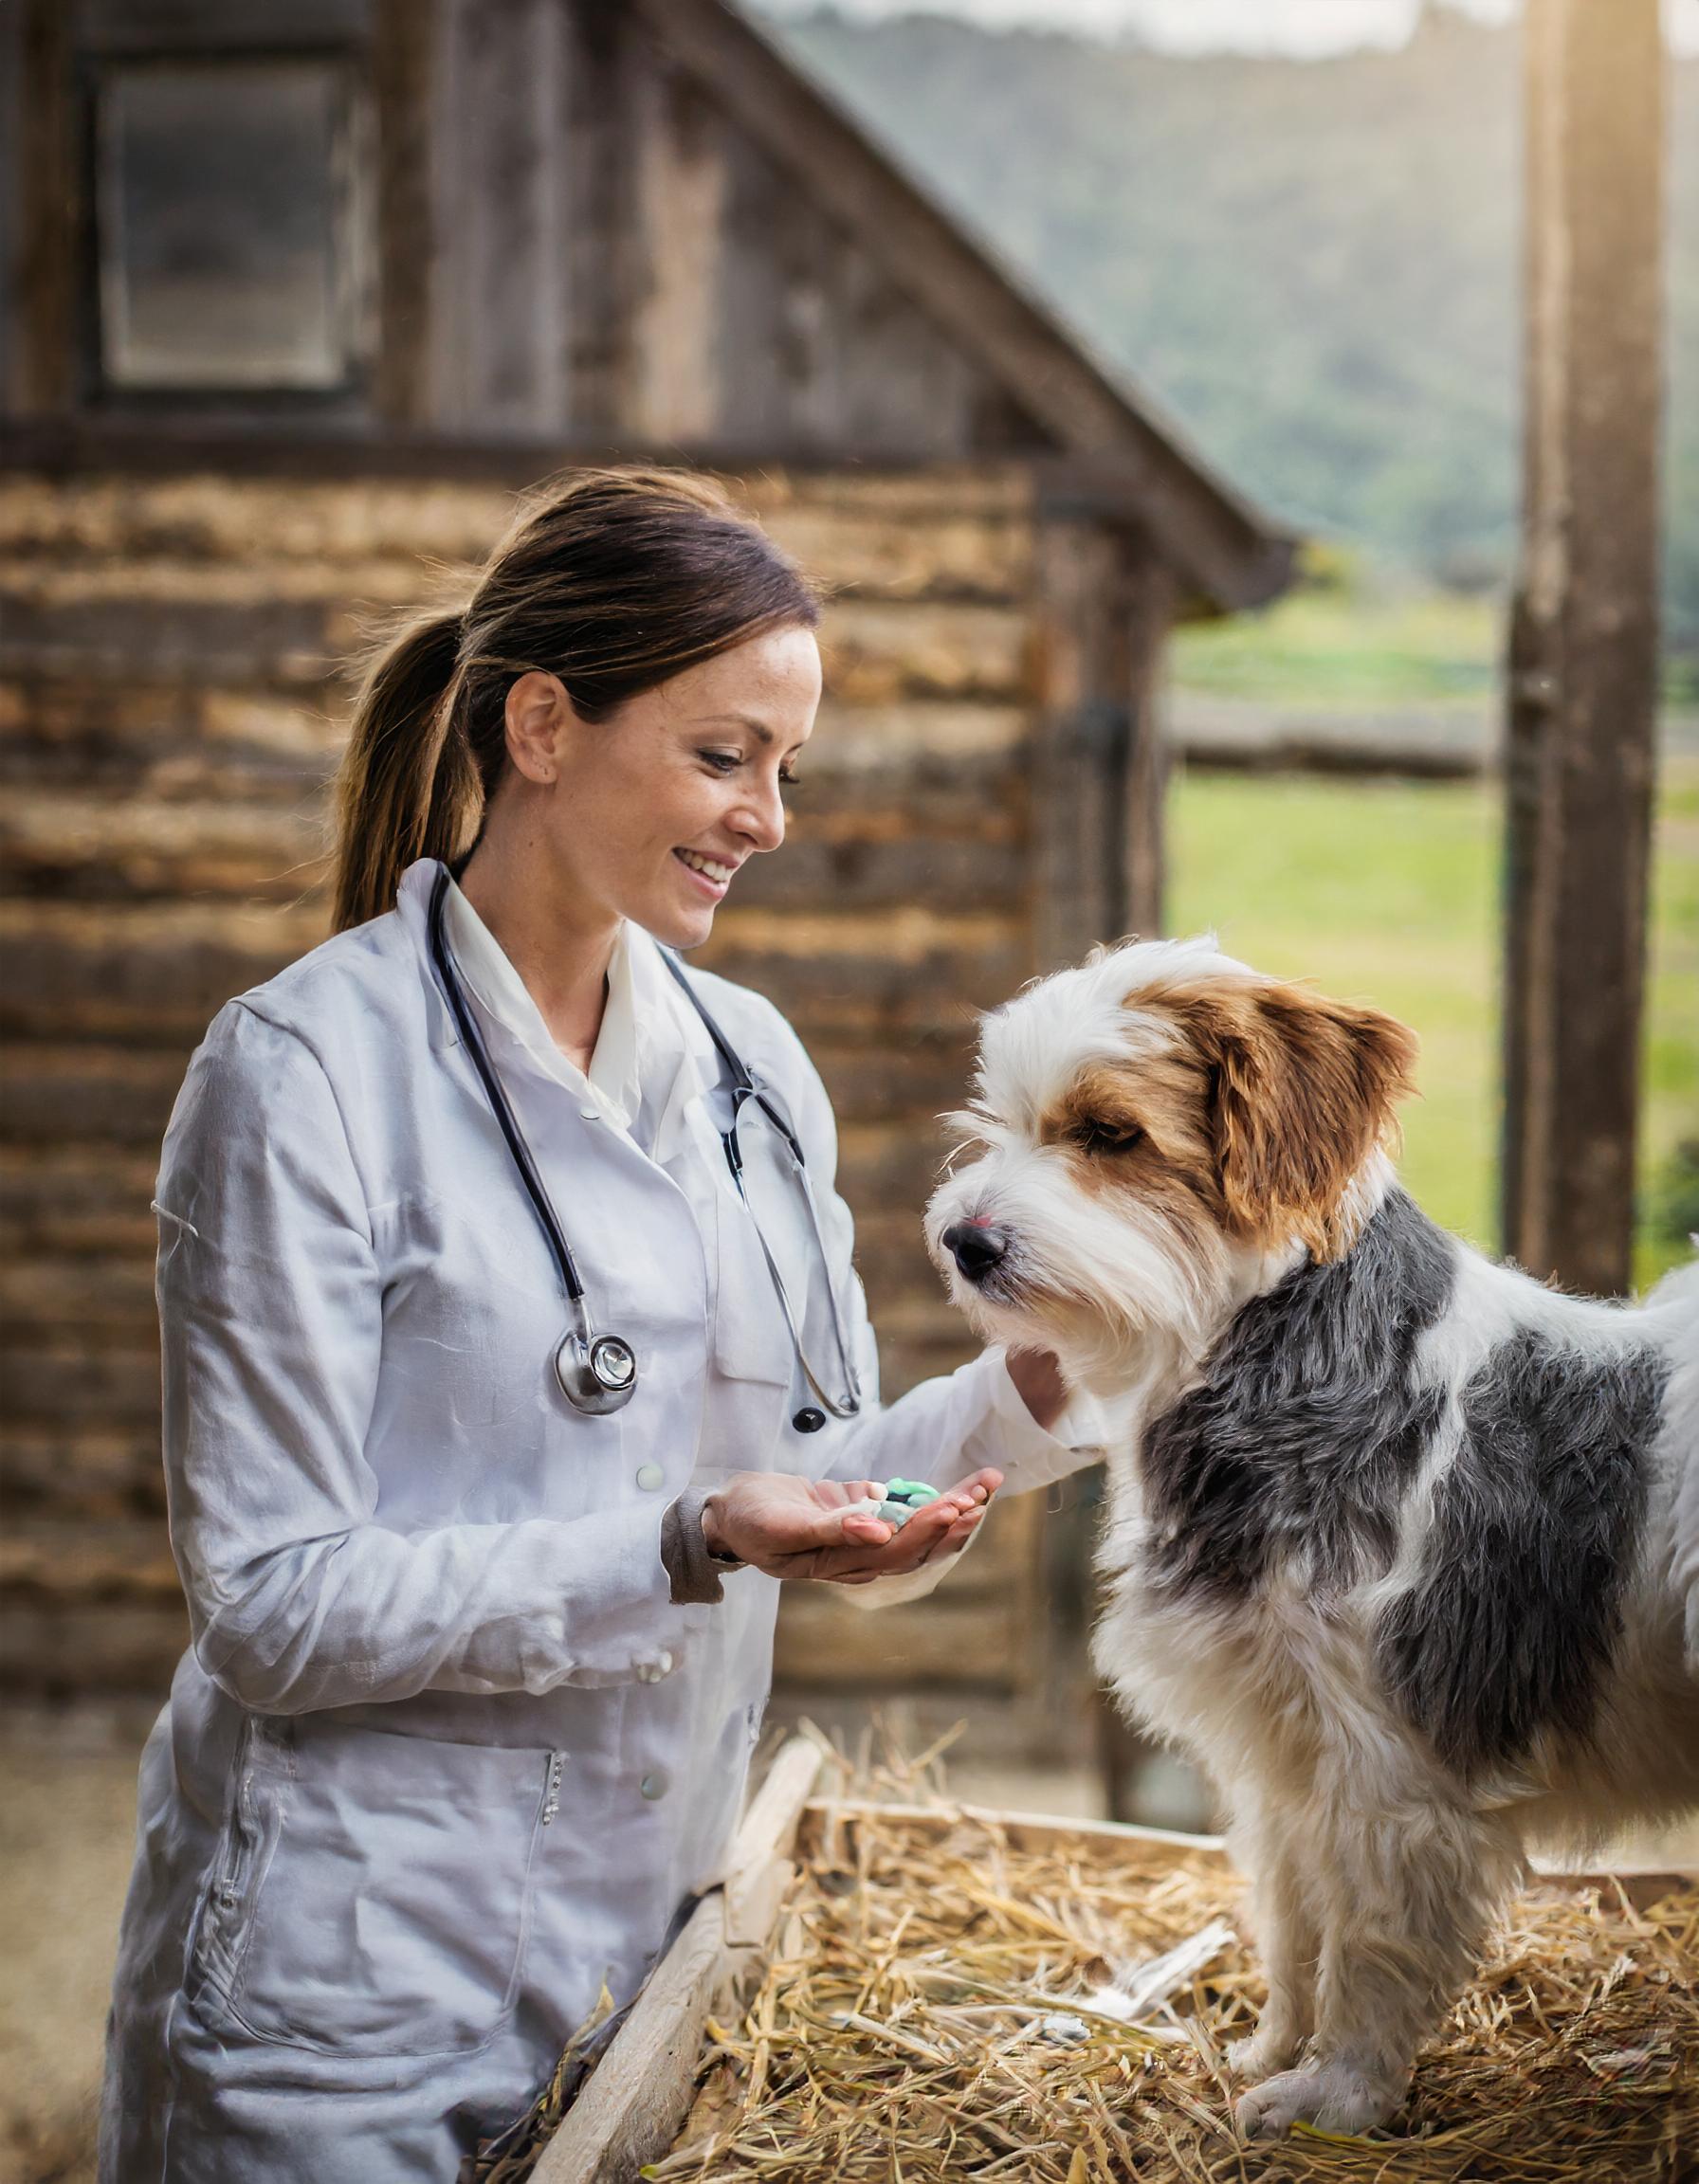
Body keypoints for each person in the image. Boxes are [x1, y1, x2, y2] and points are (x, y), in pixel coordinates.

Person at [99, 469, 1103, 2182]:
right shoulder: (305, 1075)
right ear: (544, 725)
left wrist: (1026, 1396)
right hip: (347, 1999)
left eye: (789, 766)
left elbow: (797, 1477)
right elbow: (272, 1609)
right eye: (724, 757)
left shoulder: (752, 1070)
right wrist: (684, 1539)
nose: (767, 818)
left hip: (639, 1958)